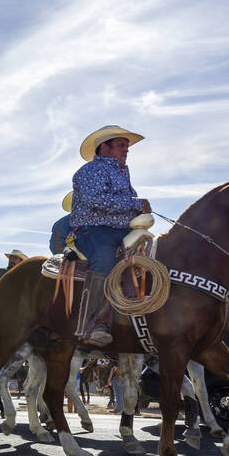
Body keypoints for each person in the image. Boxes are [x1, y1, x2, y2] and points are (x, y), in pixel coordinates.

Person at [71, 125, 151, 347]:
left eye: (127, 146)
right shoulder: (89, 171)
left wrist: (138, 209)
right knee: (105, 258)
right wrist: (136, 204)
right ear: (103, 148)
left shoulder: (123, 173)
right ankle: (93, 322)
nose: (126, 150)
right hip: (93, 229)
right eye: (121, 145)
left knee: (152, 251)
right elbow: (95, 200)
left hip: (122, 229)